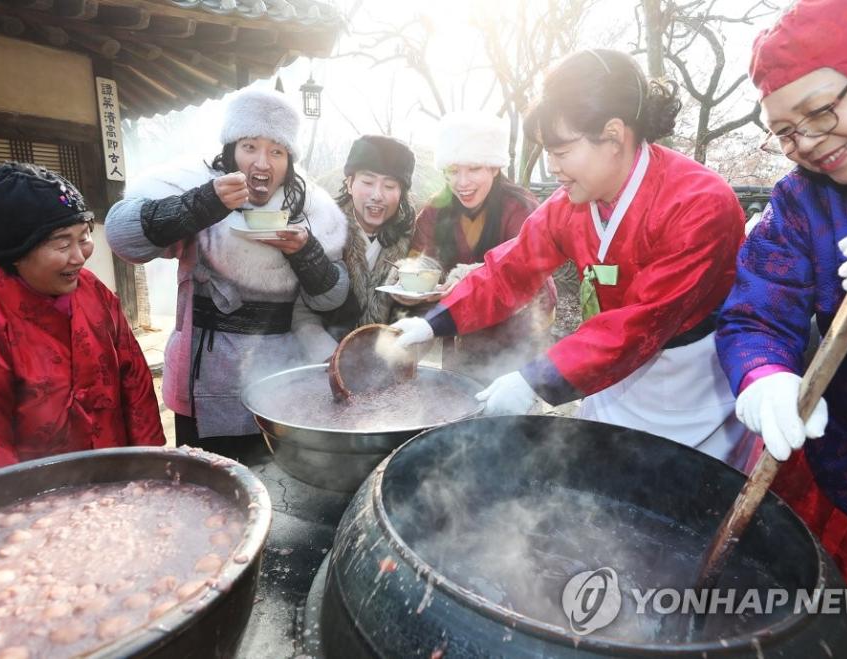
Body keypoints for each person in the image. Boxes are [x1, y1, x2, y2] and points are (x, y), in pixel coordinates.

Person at [394, 50, 751, 467]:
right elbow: (512, 268)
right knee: (601, 486)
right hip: (606, 371)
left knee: (682, 499)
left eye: (561, 152)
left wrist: (536, 378)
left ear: (614, 135)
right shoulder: (570, 203)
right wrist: (430, 322)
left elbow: (640, 321)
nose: (553, 167)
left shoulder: (700, 204)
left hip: (691, 384)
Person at [715, 0, 847, 621]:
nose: (804, 141)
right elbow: (757, 310)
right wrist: (763, 375)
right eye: (784, 130)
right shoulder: (800, 201)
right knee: (825, 608)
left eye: (820, 110)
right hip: (843, 466)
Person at [106, 83, 348, 460]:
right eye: (250, 146)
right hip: (204, 377)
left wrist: (306, 252)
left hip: (281, 378)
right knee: (209, 489)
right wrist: (204, 203)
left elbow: (332, 295)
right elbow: (124, 238)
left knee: (276, 491)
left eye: (277, 151)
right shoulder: (195, 186)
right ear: (232, 150)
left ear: (290, 160)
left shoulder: (311, 209)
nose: (262, 163)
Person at [0, 163, 164, 479]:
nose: (80, 255)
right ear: (14, 252)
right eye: (62, 243)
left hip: (121, 477)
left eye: (84, 236)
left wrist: (149, 468)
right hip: (42, 500)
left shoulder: (92, 290)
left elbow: (134, 379)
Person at [407, 112, 557, 382]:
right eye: (453, 170)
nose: (462, 182)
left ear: (494, 167)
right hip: (458, 328)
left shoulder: (521, 208)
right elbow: (421, 260)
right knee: (455, 401)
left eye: (474, 168)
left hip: (518, 331)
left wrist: (464, 279)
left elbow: (527, 273)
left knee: (506, 414)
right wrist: (412, 284)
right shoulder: (435, 210)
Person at [295, 135, 417, 359]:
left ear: (401, 194)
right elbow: (300, 311)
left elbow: (419, 311)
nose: (377, 195)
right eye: (368, 183)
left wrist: (401, 356)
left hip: (388, 365)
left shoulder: (414, 240)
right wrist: (331, 357)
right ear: (350, 184)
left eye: (390, 185)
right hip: (325, 360)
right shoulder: (321, 231)